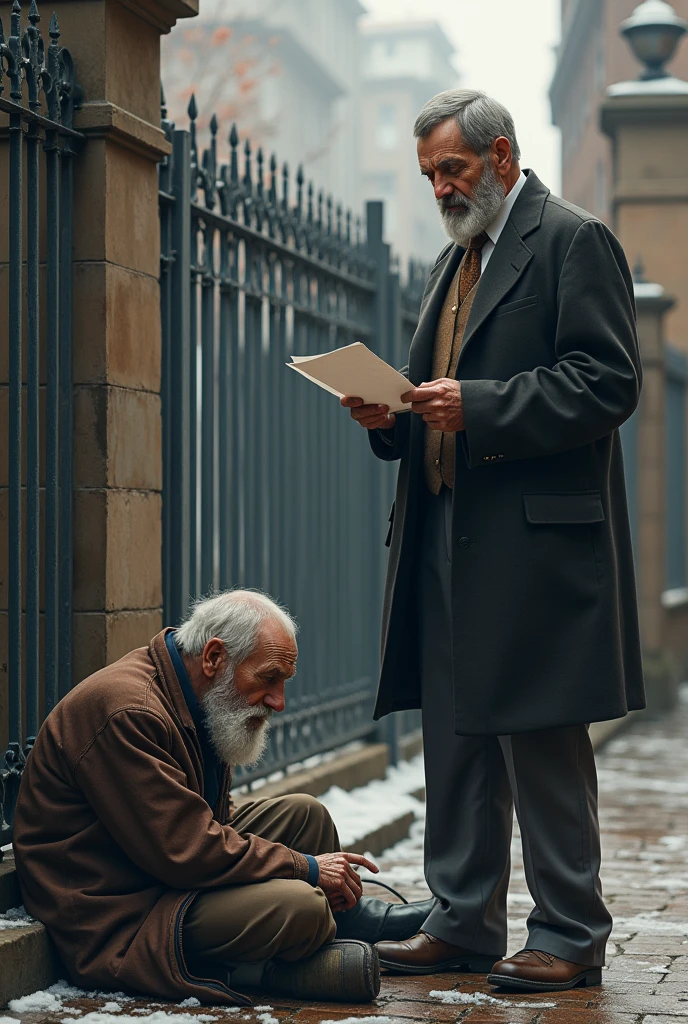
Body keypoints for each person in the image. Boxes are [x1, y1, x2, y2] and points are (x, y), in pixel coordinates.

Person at [342, 89, 644, 994]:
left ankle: (570, 932)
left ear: (504, 157)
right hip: (444, 533)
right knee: (457, 736)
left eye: (454, 169)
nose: (440, 186)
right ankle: (463, 919)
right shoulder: (456, 258)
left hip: (538, 548)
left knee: (541, 737)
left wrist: (481, 407)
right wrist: (387, 414)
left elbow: (606, 382)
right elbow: (435, 390)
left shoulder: (572, 240)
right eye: (430, 172)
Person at [13, 590, 435, 1005]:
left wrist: (303, 864)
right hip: (121, 913)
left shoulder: (196, 693)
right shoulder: (129, 711)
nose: (279, 702)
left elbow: (209, 824)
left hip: (158, 874)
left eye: (283, 682)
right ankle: (264, 966)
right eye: (268, 678)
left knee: (307, 816)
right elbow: (185, 851)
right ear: (214, 657)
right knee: (300, 904)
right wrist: (304, 868)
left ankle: (344, 922)